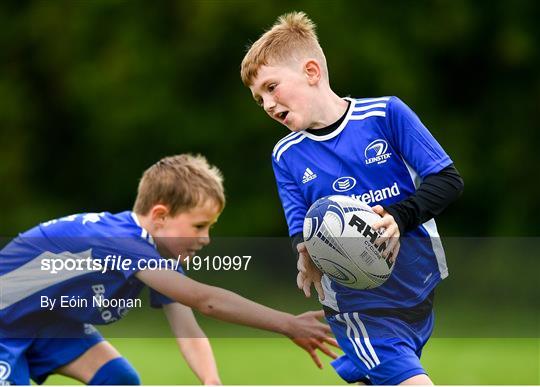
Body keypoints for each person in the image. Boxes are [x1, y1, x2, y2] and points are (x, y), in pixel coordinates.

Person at [241, 12, 464, 385]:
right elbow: (300, 225)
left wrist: (399, 217)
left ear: (312, 71)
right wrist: (306, 254)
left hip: (417, 290)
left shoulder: (385, 115)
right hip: (358, 307)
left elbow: (447, 179)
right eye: (258, 98)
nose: (266, 103)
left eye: (271, 87)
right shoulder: (287, 155)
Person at [0, 154, 337, 385]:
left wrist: (210, 380)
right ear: (160, 217)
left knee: (119, 379)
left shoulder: (154, 253)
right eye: (199, 225)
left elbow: (187, 325)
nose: (206, 238)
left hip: (47, 324)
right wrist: (288, 324)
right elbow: (205, 300)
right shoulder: (121, 243)